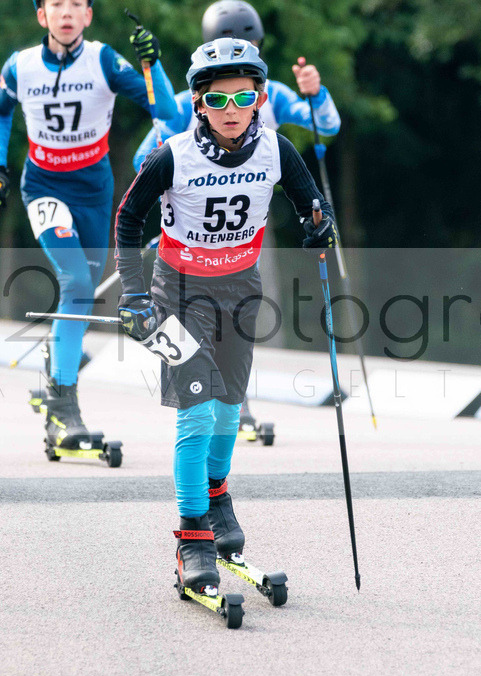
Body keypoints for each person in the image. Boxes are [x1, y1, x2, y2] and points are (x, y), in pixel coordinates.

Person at [114, 38, 337, 593]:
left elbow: (312, 203)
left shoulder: (277, 149)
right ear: (198, 104)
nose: (232, 110)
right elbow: (127, 221)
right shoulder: (173, 154)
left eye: (243, 97)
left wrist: (319, 225)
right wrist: (134, 296)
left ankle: (217, 499)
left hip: (240, 289)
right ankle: (192, 537)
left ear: (260, 98)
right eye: (217, 100)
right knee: (195, 411)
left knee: (228, 409)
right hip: (177, 292)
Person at [132, 0, 341, 442]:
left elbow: (328, 125)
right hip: (191, 241)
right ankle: (218, 413)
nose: (238, 55)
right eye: (226, 45)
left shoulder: (274, 93)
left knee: (238, 321)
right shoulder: (192, 98)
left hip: (245, 235)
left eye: (249, 46)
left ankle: (234, 401)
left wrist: (316, 91)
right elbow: (145, 159)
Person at [0, 0, 177, 458]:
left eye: (75, 4)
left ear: (87, 16)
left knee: (85, 293)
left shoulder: (105, 60)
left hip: (93, 192)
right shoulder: (21, 66)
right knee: (75, 284)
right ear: (41, 16)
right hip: (44, 187)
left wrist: (153, 63)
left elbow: (165, 108)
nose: (66, 12)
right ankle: (62, 407)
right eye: (56, 4)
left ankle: (55, 371)